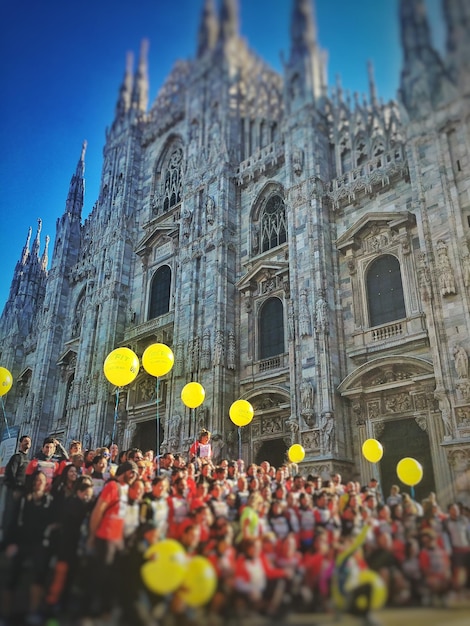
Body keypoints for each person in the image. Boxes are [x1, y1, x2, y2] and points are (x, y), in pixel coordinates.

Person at [85, 460, 138, 619]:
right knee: (103, 574)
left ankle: (107, 608)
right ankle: (96, 609)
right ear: (125, 471)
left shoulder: (126, 488)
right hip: (105, 536)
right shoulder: (112, 486)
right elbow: (97, 511)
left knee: (114, 575)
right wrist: (92, 535)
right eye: (132, 472)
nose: (135, 476)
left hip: (117, 539)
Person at [1, 435, 32, 547]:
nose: (27, 443)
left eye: (29, 442)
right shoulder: (16, 457)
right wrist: (14, 489)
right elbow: (10, 474)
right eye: (25, 441)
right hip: (14, 491)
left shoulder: (28, 459)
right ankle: (5, 542)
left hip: (22, 491)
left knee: (18, 516)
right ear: (20, 443)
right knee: (10, 515)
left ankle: (13, 541)